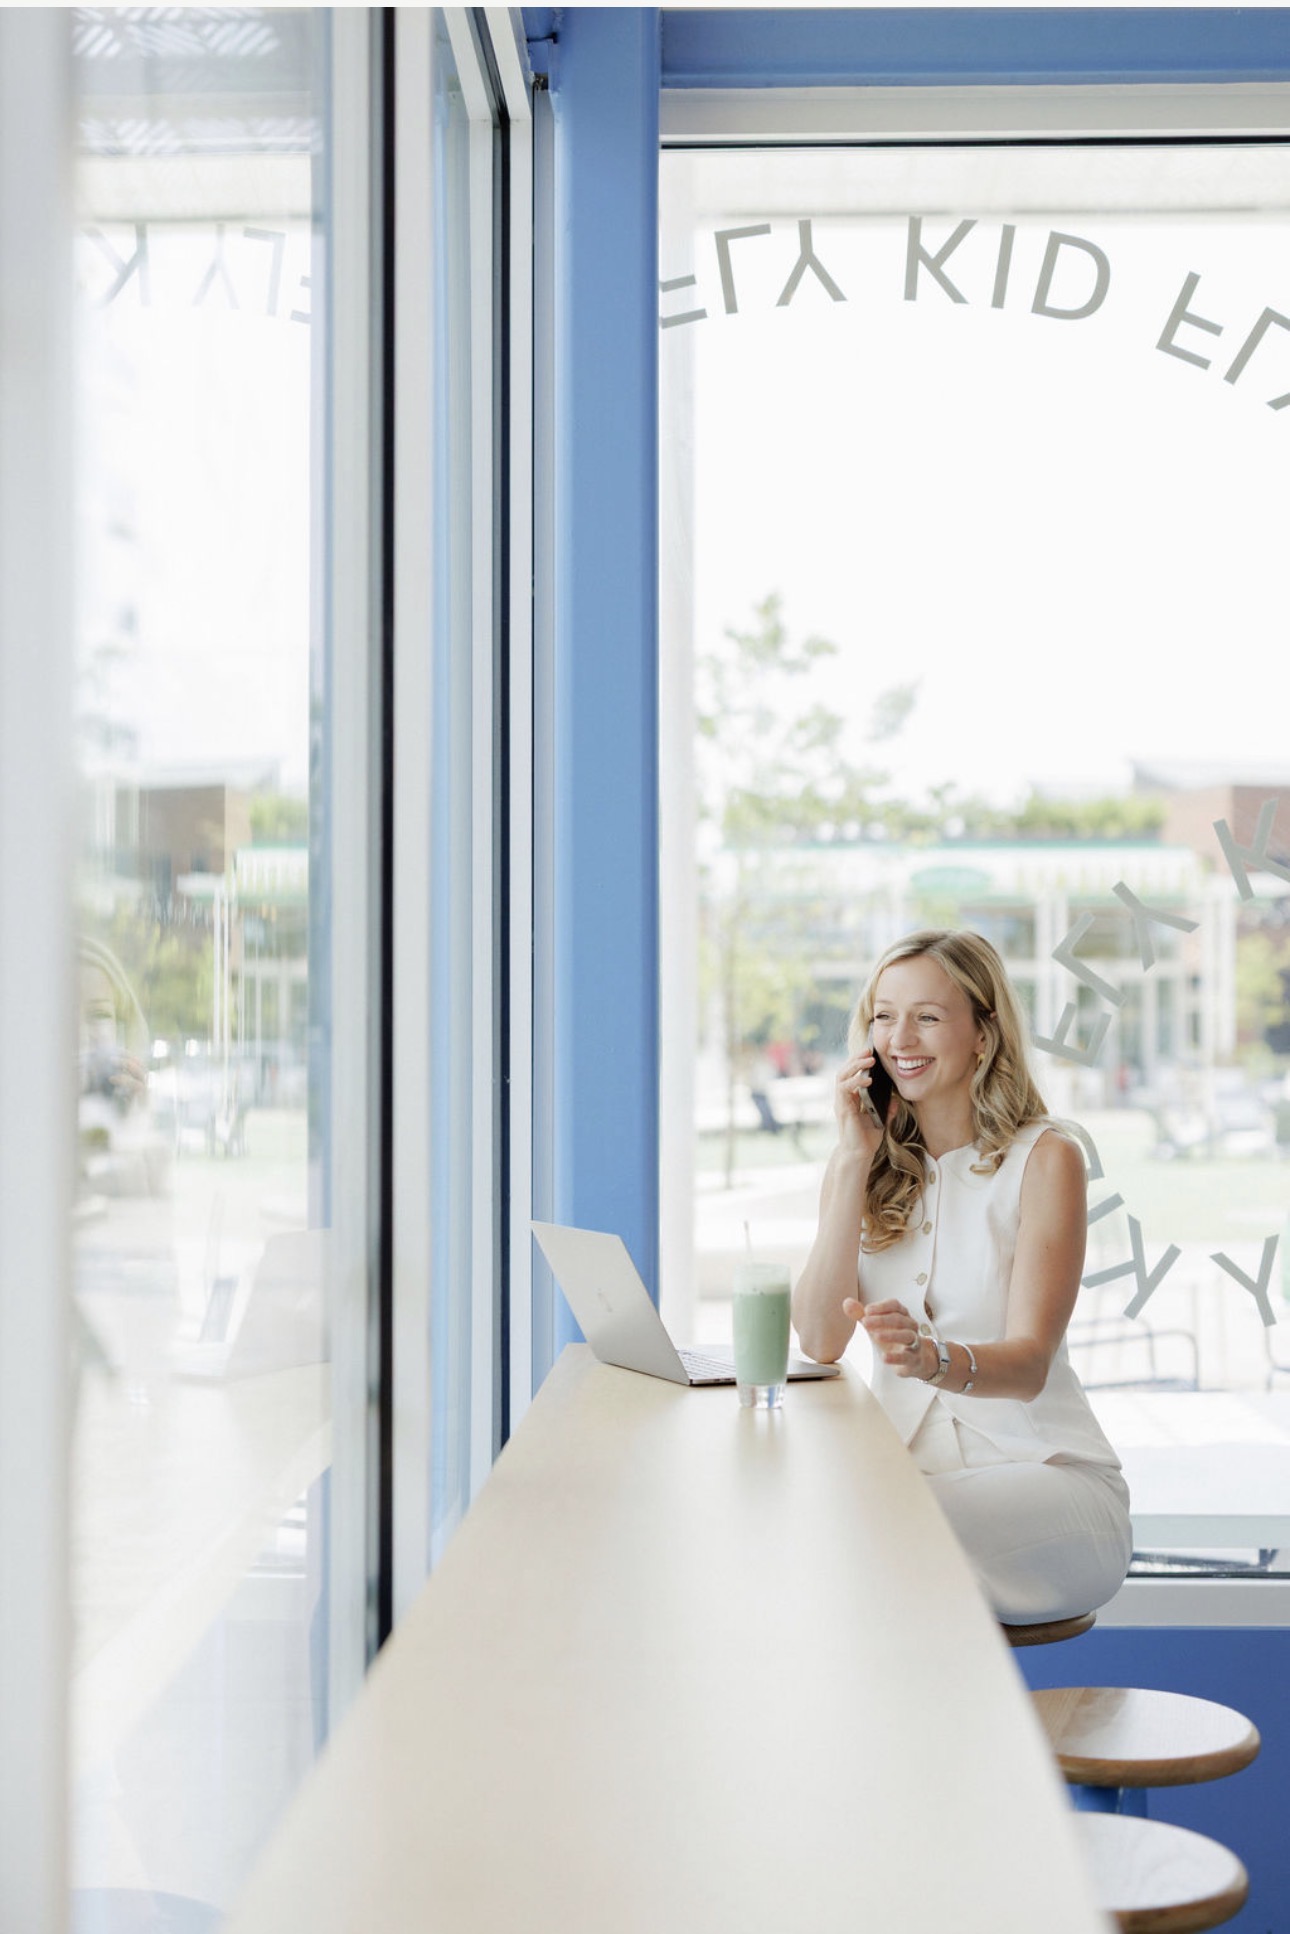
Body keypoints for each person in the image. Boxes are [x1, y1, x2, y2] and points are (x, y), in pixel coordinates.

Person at [792, 928, 1132, 1626]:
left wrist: (932, 1357)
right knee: (854, 1552)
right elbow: (821, 1338)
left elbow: (1030, 1363)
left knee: (866, 1537)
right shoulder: (858, 1165)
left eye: (928, 1015)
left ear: (983, 1032)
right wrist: (854, 1160)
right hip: (910, 1482)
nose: (899, 1038)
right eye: (883, 1015)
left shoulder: (1045, 1158)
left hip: (1048, 1482)